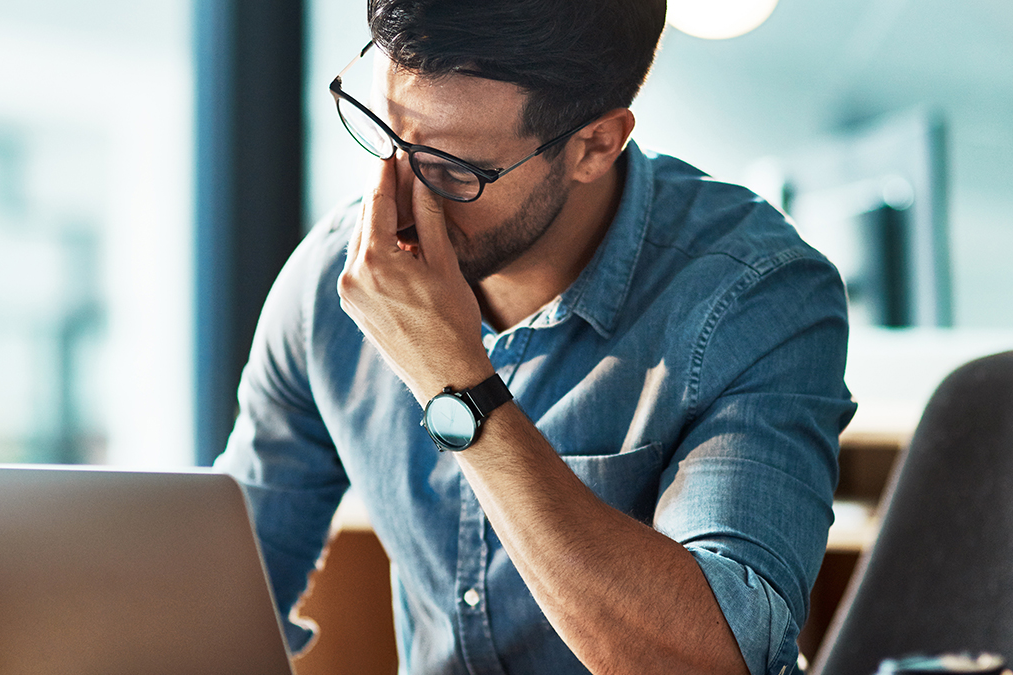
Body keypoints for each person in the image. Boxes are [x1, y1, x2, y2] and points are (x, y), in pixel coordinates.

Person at [214, 1, 856, 673]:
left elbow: (713, 663)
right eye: (384, 132)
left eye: (452, 169)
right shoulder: (335, 285)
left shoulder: (757, 297)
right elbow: (221, 600)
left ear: (596, 145)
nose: (397, 197)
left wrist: (454, 383)